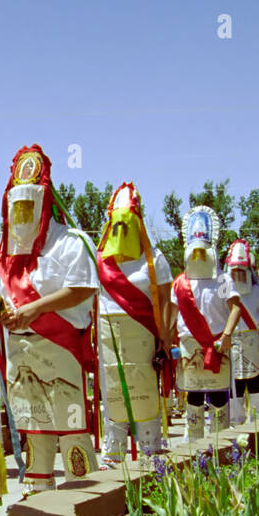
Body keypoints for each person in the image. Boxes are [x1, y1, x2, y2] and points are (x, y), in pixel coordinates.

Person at [0, 146, 99, 493]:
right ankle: (39, 497)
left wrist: (36, 309)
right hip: (21, 351)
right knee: (34, 426)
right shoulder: (5, 254)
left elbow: (83, 288)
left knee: (70, 426)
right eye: (15, 206)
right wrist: (1, 313)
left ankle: (85, 498)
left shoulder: (70, 241)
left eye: (27, 205)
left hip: (60, 348)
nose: (21, 213)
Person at [96, 182, 174, 462]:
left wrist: (165, 337)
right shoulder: (99, 258)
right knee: (114, 398)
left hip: (144, 337)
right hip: (110, 337)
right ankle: (113, 460)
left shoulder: (155, 259)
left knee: (144, 398)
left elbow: (167, 300)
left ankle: (151, 458)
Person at [171, 207, 242, 441]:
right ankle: (193, 450)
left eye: (204, 252)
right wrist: (165, 337)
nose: (199, 256)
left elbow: (236, 307)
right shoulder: (180, 283)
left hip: (217, 344)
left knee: (219, 398)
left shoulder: (222, 279)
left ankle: (220, 447)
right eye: (195, 252)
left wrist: (229, 334)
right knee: (194, 399)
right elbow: (172, 313)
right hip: (190, 346)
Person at [223, 240, 259, 424]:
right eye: (233, 271)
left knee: (256, 385)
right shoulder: (224, 292)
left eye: (241, 271)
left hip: (253, 343)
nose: (237, 275)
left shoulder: (258, 292)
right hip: (232, 343)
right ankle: (236, 425)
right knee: (235, 388)